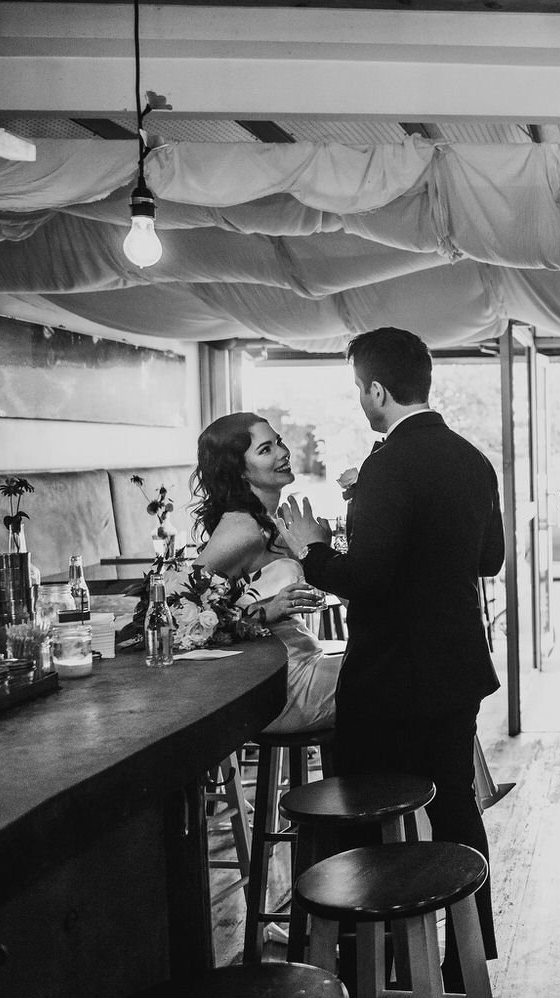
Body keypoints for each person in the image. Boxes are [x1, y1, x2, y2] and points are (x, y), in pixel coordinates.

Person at [276, 326, 505, 981]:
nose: (360, 399)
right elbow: (487, 558)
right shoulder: (471, 459)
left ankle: (367, 961)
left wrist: (311, 546)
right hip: (456, 665)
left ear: (377, 389)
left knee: (366, 814)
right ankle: (466, 958)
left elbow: (367, 578)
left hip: (389, 678)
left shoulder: (386, 464)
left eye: (358, 387)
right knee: (456, 805)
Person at [191, 412, 338, 735]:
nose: (283, 453)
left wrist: (320, 550)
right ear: (239, 471)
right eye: (266, 449)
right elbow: (183, 615)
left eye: (279, 442)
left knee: (396, 665)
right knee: (398, 674)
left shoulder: (271, 519)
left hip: (305, 660)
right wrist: (267, 611)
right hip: (281, 686)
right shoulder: (241, 529)